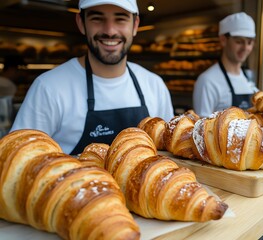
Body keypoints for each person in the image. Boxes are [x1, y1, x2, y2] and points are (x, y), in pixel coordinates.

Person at [11, 0, 174, 154]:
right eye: (97, 18)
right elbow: (19, 159)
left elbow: (168, 153)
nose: (110, 31)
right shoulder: (49, 87)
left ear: (135, 25)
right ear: (81, 23)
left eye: (120, 19)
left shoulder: (154, 85)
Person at [193, 12, 258, 117]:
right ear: (223, 40)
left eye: (249, 42)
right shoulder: (207, 81)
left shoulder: (248, 78)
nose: (245, 48)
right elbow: (201, 129)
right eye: (239, 41)